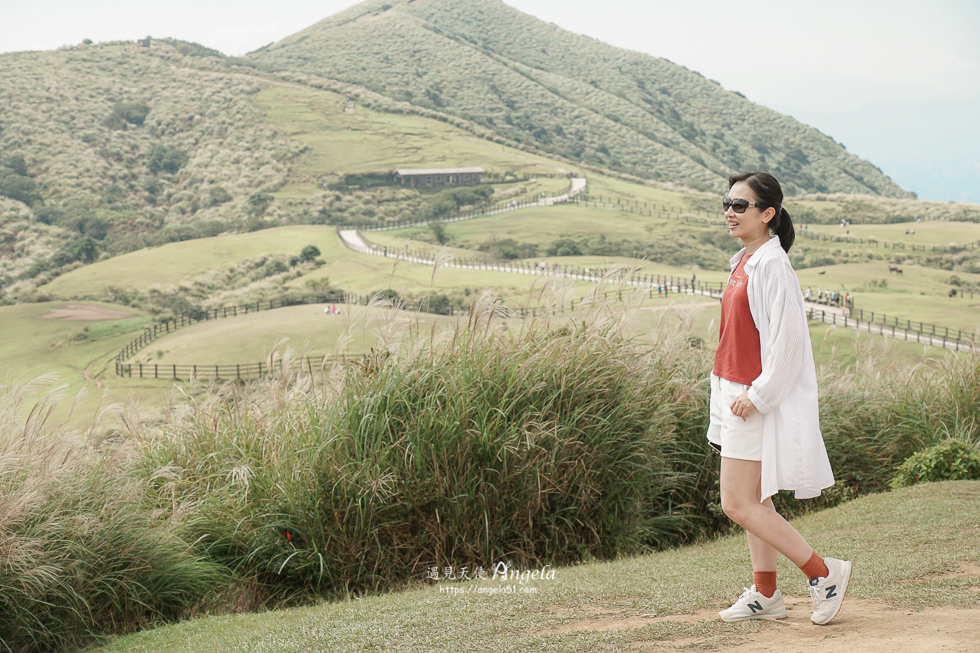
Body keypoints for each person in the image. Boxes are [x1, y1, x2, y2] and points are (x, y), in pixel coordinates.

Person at [709, 171, 851, 626]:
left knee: (737, 503)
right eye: (726, 203)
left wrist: (759, 395)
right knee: (758, 500)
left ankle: (824, 573)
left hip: (752, 399)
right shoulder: (744, 259)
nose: (730, 212)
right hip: (734, 392)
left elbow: (789, 345)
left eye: (740, 206)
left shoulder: (773, 265)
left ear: (767, 214)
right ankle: (767, 595)